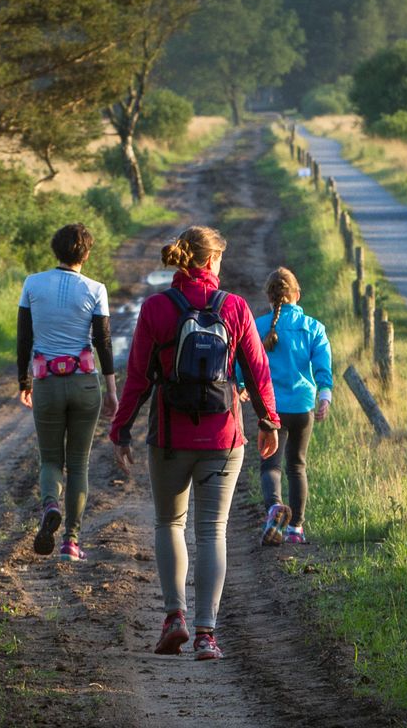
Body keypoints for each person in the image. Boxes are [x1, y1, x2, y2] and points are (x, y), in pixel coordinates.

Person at [110, 226, 280, 661]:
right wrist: (269, 422)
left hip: (169, 437)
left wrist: (121, 429)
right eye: (220, 258)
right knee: (211, 531)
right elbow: (257, 371)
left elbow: (138, 377)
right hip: (223, 438)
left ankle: (174, 618)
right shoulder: (235, 307)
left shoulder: (156, 308)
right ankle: (207, 635)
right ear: (210, 260)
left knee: (170, 524)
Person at [17, 223, 118, 561]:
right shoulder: (96, 289)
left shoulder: (32, 284)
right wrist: (112, 390)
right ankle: (71, 542)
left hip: (46, 382)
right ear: (86, 255)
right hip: (84, 383)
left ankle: (50, 505)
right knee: (78, 464)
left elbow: (24, 339)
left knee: (49, 459)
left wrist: (24, 382)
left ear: (54, 249)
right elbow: (104, 342)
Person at [240, 268, 333, 546]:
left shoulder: (258, 326)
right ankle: (296, 529)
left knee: (270, 465)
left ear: (269, 297)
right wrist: (325, 396)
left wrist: (241, 384)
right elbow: (323, 366)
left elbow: (243, 359)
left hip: (271, 410)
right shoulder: (314, 327)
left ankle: (274, 509)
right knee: (297, 466)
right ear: (297, 295)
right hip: (303, 407)